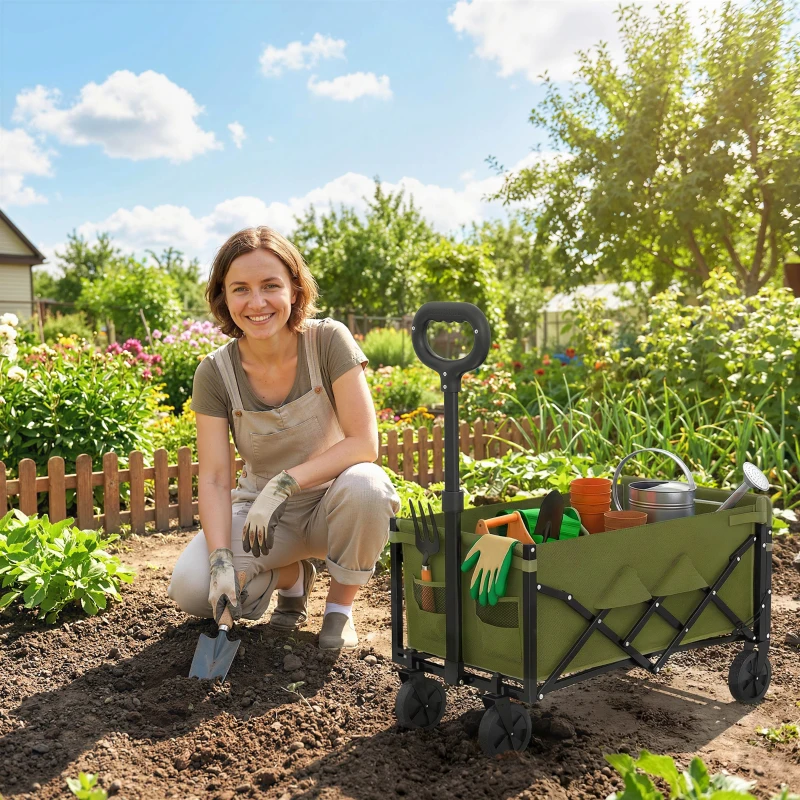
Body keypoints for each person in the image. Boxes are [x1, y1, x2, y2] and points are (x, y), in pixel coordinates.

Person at [168, 226, 400, 649]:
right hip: (264, 520)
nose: (256, 303)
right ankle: (292, 578)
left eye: (270, 285)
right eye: (240, 289)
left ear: (294, 289)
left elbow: (364, 443)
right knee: (190, 586)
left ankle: (338, 611)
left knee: (368, 484)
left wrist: (284, 482)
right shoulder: (215, 373)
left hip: (334, 506)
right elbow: (217, 478)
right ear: (223, 296)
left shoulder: (328, 341)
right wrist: (221, 560)